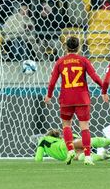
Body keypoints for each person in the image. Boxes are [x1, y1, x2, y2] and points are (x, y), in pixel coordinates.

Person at [44, 37, 103, 165]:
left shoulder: (60, 62)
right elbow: (94, 77)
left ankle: (70, 150)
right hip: (82, 98)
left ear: (65, 47)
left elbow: (52, 82)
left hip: (66, 99)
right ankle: (87, 156)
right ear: (79, 47)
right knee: (85, 128)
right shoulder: (83, 60)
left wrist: (49, 95)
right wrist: (103, 87)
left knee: (66, 125)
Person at [34, 129, 110, 162]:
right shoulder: (60, 139)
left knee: (81, 156)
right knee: (88, 141)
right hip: (66, 144)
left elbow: (38, 158)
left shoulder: (42, 139)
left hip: (65, 156)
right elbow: (73, 136)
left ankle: (101, 157)